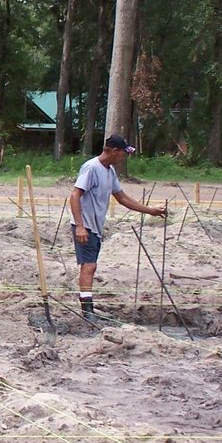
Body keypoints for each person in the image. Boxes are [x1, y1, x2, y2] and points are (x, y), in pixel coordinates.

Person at [68, 134, 166, 323]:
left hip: (95, 226)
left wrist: (150, 210)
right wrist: (80, 226)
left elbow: (122, 198)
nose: (124, 157)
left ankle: (88, 308)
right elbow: (74, 196)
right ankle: (87, 312)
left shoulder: (110, 171)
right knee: (89, 266)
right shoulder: (91, 168)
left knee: (90, 266)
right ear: (114, 151)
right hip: (85, 224)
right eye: (123, 153)